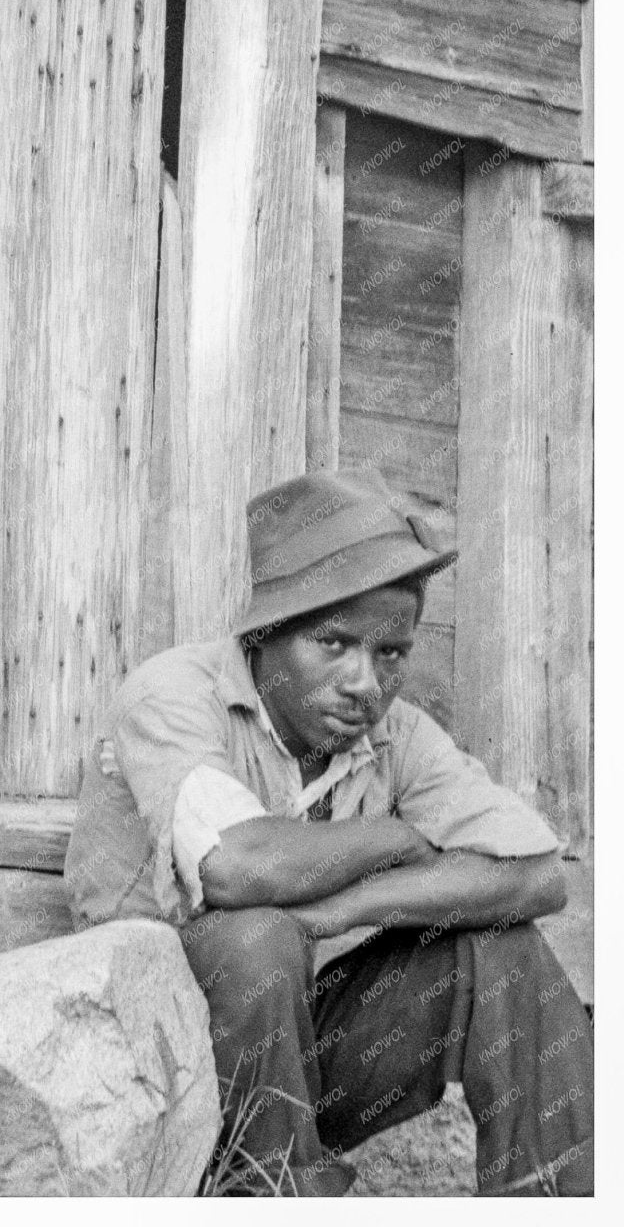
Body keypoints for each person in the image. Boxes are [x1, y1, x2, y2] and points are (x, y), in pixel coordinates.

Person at [64, 468, 593, 1194]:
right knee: (254, 936)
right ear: (266, 633)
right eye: (334, 643)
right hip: (140, 1070)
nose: (365, 683)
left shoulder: (396, 734)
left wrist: (342, 910)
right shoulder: (176, 695)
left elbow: (537, 874)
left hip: (295, 1060)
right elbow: (238, 868)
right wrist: (394, 838)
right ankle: (271, 1194)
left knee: (505, 948)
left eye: (391, 654)